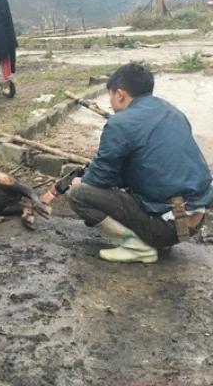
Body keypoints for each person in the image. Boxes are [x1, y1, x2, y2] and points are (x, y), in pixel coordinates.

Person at [61, 62, 212, 263]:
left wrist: (82, 181)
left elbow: (100, 178)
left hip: (166, 227)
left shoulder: (120, 123)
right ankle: (156, 238)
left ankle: (138, 247)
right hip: (193, 220)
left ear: (120, 94)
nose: (112, 104)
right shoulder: (171, 111)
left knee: (79, 194)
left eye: (111, 97)